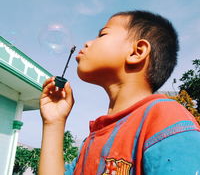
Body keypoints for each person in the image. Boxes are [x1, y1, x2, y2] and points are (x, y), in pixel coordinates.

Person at [39, 10, 200, 175]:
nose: (87, 43)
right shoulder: (92, 140)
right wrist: (54, 123)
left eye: (102, 35)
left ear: (137, 52)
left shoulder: (166, 118)